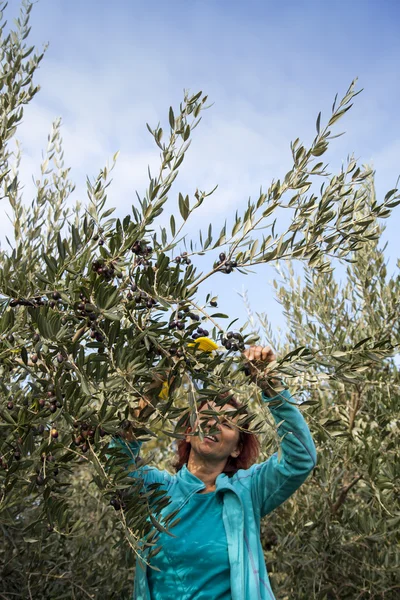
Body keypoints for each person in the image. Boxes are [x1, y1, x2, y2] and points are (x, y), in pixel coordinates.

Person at [113, 345, 317, 600]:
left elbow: (301, 459)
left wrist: (271, 385)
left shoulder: (247, 491)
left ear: (237, 448)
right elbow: (116, 460)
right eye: (206, 414)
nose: (213, 423)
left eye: (227, 422)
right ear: (188, 431)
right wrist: (159, 382)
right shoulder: (157, 490)